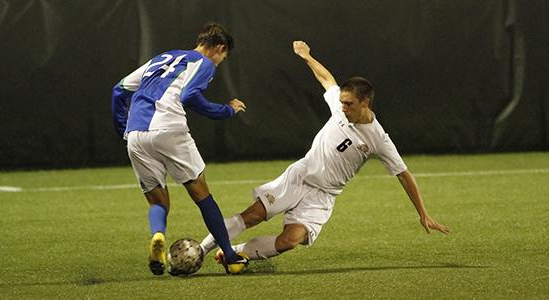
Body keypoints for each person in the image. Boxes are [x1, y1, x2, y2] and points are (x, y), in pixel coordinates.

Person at [200, 41, 449, 264]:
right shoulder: (340, 107)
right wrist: (307, 57)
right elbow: (327, 79)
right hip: (301, 176)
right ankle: (200, 251)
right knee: (253, 215)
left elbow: (404, 175)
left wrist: (423, 213)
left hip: (323, 195)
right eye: (342, 101)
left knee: (290, 240)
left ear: (366, 103)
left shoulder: (379, 139)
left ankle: (235, 252)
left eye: (349, 103)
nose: (343, 107)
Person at [111, 22, 248, 275]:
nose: (219, 63)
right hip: (169, 129)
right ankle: (230, 256)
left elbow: (119, 90)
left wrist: (124, 131)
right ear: (219, 48)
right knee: (202, 194)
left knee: (157, 202)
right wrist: (225, 110)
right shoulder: (204, 63)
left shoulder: (162, 57)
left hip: (137, 133)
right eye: (223, 58)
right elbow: (189, 96)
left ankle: (158, 236)